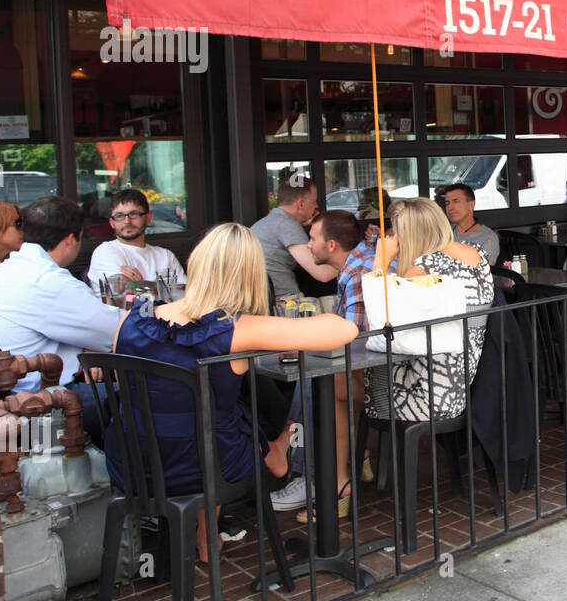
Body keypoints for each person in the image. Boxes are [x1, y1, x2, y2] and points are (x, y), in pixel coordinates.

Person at [107, 222, 357, 562]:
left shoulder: (130, 320)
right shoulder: (236, 328)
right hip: (203, 466)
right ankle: (272, 456)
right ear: (249, 275)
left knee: (215, 417)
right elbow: (343, 329)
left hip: (130, 463)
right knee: (227, 423)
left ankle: (213, 527)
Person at [272, 209, 372, 513]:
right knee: (318, 374)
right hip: (380, 371)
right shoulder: (360, 262)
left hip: (381, 382)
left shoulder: (357, 274)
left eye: (312, 239)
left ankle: (312, 476)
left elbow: (355, 341)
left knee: (317, 379)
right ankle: (355, 456)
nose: (308, 245)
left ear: (331, 245)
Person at [365, 197, 494, 425]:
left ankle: (365, 459)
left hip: (425, 394)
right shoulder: (475, 256)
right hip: (460, 385)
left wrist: (380, 262)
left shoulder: (422, 271)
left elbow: (377, 329)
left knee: (334, 386)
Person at [0, 197, 123, 391]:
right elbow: (118, 331)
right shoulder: (47, 280)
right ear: (70, 239)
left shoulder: (5, 270)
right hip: (40, 399)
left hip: (8, 390)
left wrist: (88, 344)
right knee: (139, 395)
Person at [251, 177, 338, 298]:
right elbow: (323, 274)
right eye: (314, 201)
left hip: (262, 298)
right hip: (283, 301)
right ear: (301, 203)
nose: (317, 206)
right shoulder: (287, 225)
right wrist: (350, 260)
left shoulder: (269, 222)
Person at [86, 189, 185, 289]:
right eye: (119, 216)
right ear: (111, 223)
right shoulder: (105, 251)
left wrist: (141, 285)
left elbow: (187, 294)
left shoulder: (166, 256)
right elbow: (122, 294)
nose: (127, 221)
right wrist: (163, 287)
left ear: (148, 218)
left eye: (133, 214)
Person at [440, 183, 500, 266]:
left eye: (456, 201)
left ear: (471, 205)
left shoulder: (488, 237)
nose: (450, 208)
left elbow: (485, 272)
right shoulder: (445, 232)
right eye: (447, 203)